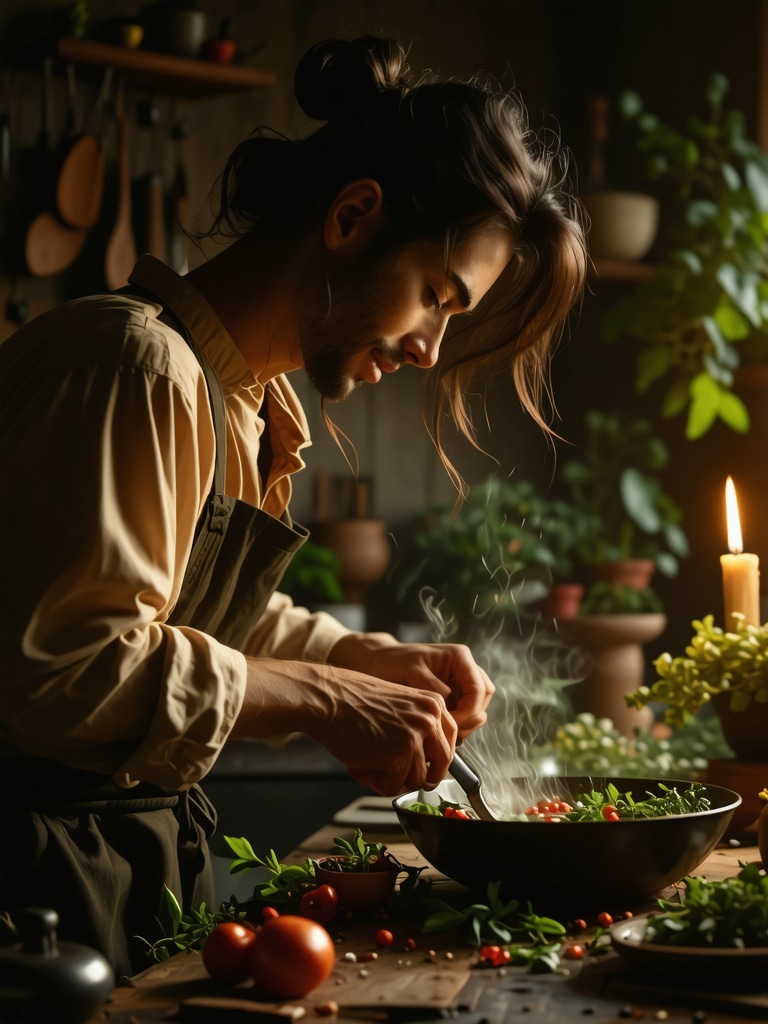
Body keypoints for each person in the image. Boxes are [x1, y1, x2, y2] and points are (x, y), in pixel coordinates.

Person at [0, 36, 588, 976]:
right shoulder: (135, 366)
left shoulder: (239, 401)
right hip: (30, 895)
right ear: (353, 216)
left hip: (121, 867)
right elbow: (66, 670)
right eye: (436, 296)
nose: (430, 347)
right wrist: (322, 697)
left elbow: (187, 614)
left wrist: (361, 659)